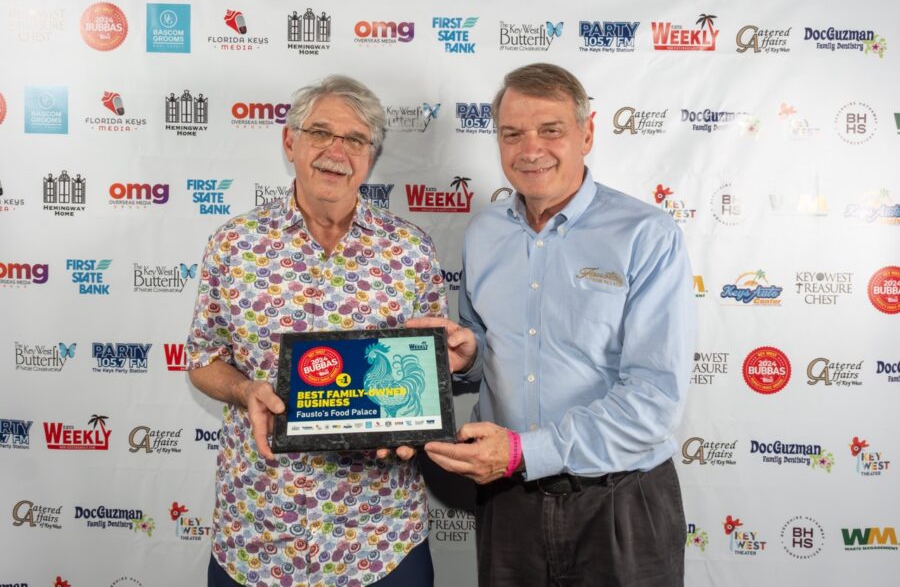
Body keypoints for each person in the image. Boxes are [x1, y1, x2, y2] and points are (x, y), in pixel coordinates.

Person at [413, 63, 695, 586]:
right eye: (512, 133)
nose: (530, 148)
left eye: (551, 130)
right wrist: (468, 356)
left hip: (620, 504)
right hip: (509, 502)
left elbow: (655, 399)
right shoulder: (484, 235)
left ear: (586, 134)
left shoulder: (646, 235)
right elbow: (481, 352)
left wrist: (524, 452)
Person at [186, 75, 447, 587]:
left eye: (355, 140)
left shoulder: (411, 251)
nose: (336, 151)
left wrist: (415, 418)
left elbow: (431, 372)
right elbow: (202, 359)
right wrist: (245, 389)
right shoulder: (233, 245)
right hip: (260, 535)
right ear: (290, 141)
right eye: (319, 132)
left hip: (379, 540)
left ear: (371, 156)